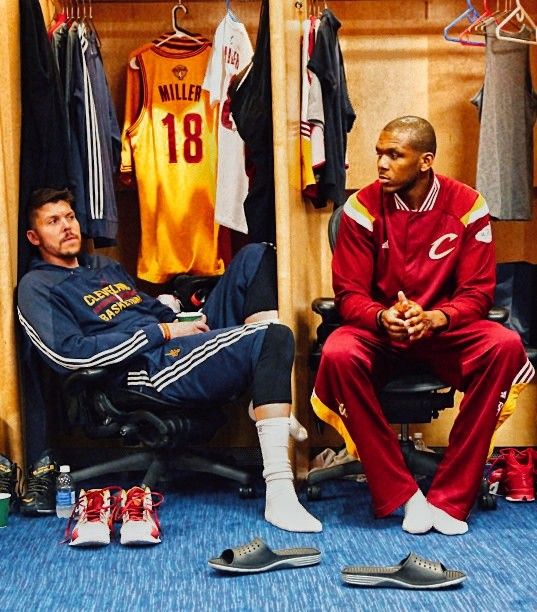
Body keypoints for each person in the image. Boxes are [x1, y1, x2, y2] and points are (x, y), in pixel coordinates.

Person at [17, 187, 321, 533]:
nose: (67, 226)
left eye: (69, 217)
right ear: (33, 236)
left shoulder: (103, 266)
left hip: (169, 343)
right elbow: (68, 355)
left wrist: (180, 322)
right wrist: (161, 332)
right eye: (53, 222)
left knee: (257, 255)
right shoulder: (37, 285)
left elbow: (146, 307)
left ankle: (261, 395)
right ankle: (280, 492)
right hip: (145, 368)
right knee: (273, 336)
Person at [311, 116, 534, 535]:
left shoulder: (468, 205)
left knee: (503, 345)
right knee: (338, 352)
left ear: (426, 160)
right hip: (381, 333)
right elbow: (349, 296)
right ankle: (402, 493)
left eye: (395, 154)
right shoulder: (359, 208)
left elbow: (477, 292)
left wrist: (436, 317)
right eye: (379, 153)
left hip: (442, 330)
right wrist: (382, 316)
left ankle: (451, 497)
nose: (381, 164)